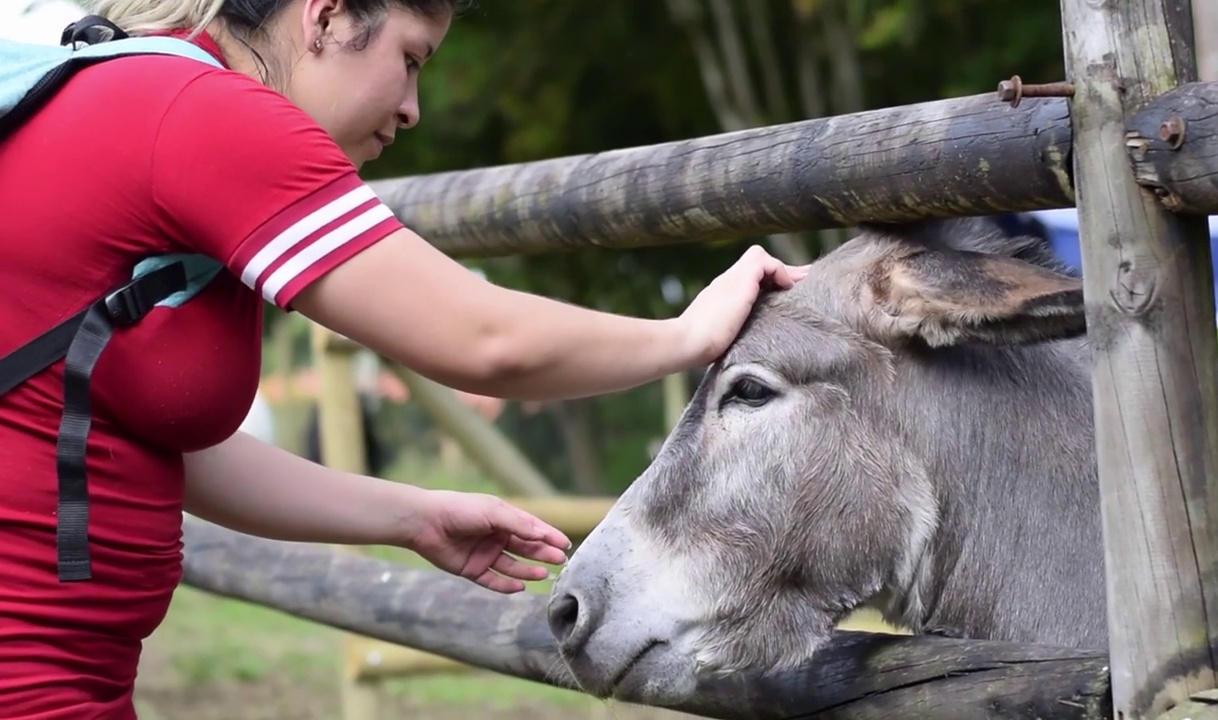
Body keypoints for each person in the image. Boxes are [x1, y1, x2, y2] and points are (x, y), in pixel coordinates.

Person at [0, 0, 809, 716]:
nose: (413, 108)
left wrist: (409, 516)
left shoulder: (129, 96)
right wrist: (686, 337)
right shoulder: (203, 114)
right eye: (411, 59)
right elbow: (486, 344)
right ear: (324, 17)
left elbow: (150, 449)